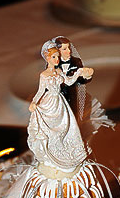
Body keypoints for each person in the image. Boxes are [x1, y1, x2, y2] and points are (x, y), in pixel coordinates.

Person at [27, 40, 93, 173]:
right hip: (49, 102)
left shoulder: (59, 72)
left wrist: (78, 72)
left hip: (60, 103)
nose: (57, 59)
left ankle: (67, 153)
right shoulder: (44, 75)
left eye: (57, 56)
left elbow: (68, 82)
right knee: (50, 130)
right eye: (53, 57)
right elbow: (40, 91)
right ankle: (52, 154)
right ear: (47, 58)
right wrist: (34, 102)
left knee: (66, 127)